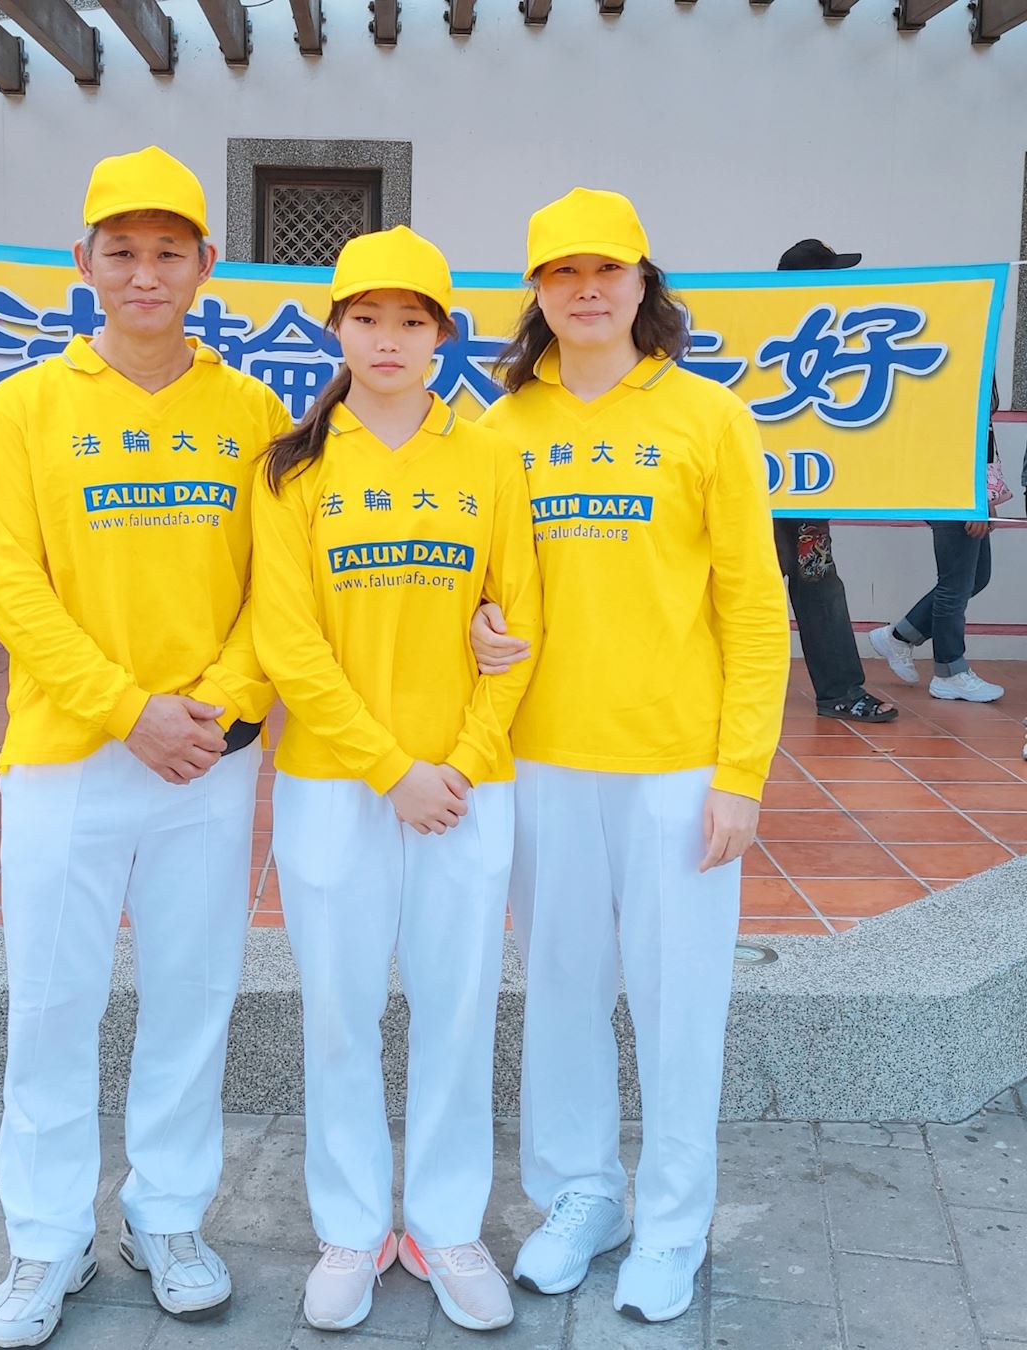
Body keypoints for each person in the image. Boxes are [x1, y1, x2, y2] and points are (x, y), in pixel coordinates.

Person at [0, 146, 290, 1347]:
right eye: (121, 251)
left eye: (167, 252)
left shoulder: (252, 413)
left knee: (192, 998)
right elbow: (12, 587)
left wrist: (216, 703)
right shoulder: (25, 409)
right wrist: (124, 709)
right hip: (68, 754)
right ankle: (45, 1240)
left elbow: (278, 588)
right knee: (52, 1006)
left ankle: (168, 1218)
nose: (144, 273)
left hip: (205, 756)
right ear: (83, 262)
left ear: (207, 264)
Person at [470, 188, 790, 1324]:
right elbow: (470, 583)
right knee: (560, 986)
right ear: (536, 293)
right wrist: (475, 629)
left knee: (678, 998)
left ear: (644, 281)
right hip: (541, 759)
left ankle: (672, 1222)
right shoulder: (499, 426)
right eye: (561, 272)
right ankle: (581, 1195)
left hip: (676, 765)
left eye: (606, 269)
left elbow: (754, 608)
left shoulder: (708, 417)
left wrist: (741, 773)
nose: (586, 290)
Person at [250, 226, 542, 1335]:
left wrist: (457, 762)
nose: (387, 339)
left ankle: (446, 1225)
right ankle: (352, 1226)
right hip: (335, 783)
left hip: (466, 786)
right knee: (340, 1009)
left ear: (443, 334)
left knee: (459, 1008)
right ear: (334, 328)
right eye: (366, 318)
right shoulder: (292, 467)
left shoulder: (489, 456)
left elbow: (522, 625)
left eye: (411, 320)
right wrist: (389, 770)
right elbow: (287, 642)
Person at [773, 239, 896, 723]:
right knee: (751, 594)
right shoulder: (768, 331)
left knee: (819, 585)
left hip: (805, 494)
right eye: (832, 274)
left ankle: (841, 691)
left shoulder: (832, 335)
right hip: (754, 495)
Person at [869, 381, 1004, 702]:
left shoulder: (976, 361)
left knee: (976, 576)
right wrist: (975, 498)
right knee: (955, 584)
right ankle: (950, 671)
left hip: (963, 486)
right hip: (951, 486)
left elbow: (982, 435)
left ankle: (900, 636)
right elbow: (953, 437)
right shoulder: (955, 366)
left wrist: (986, 493)